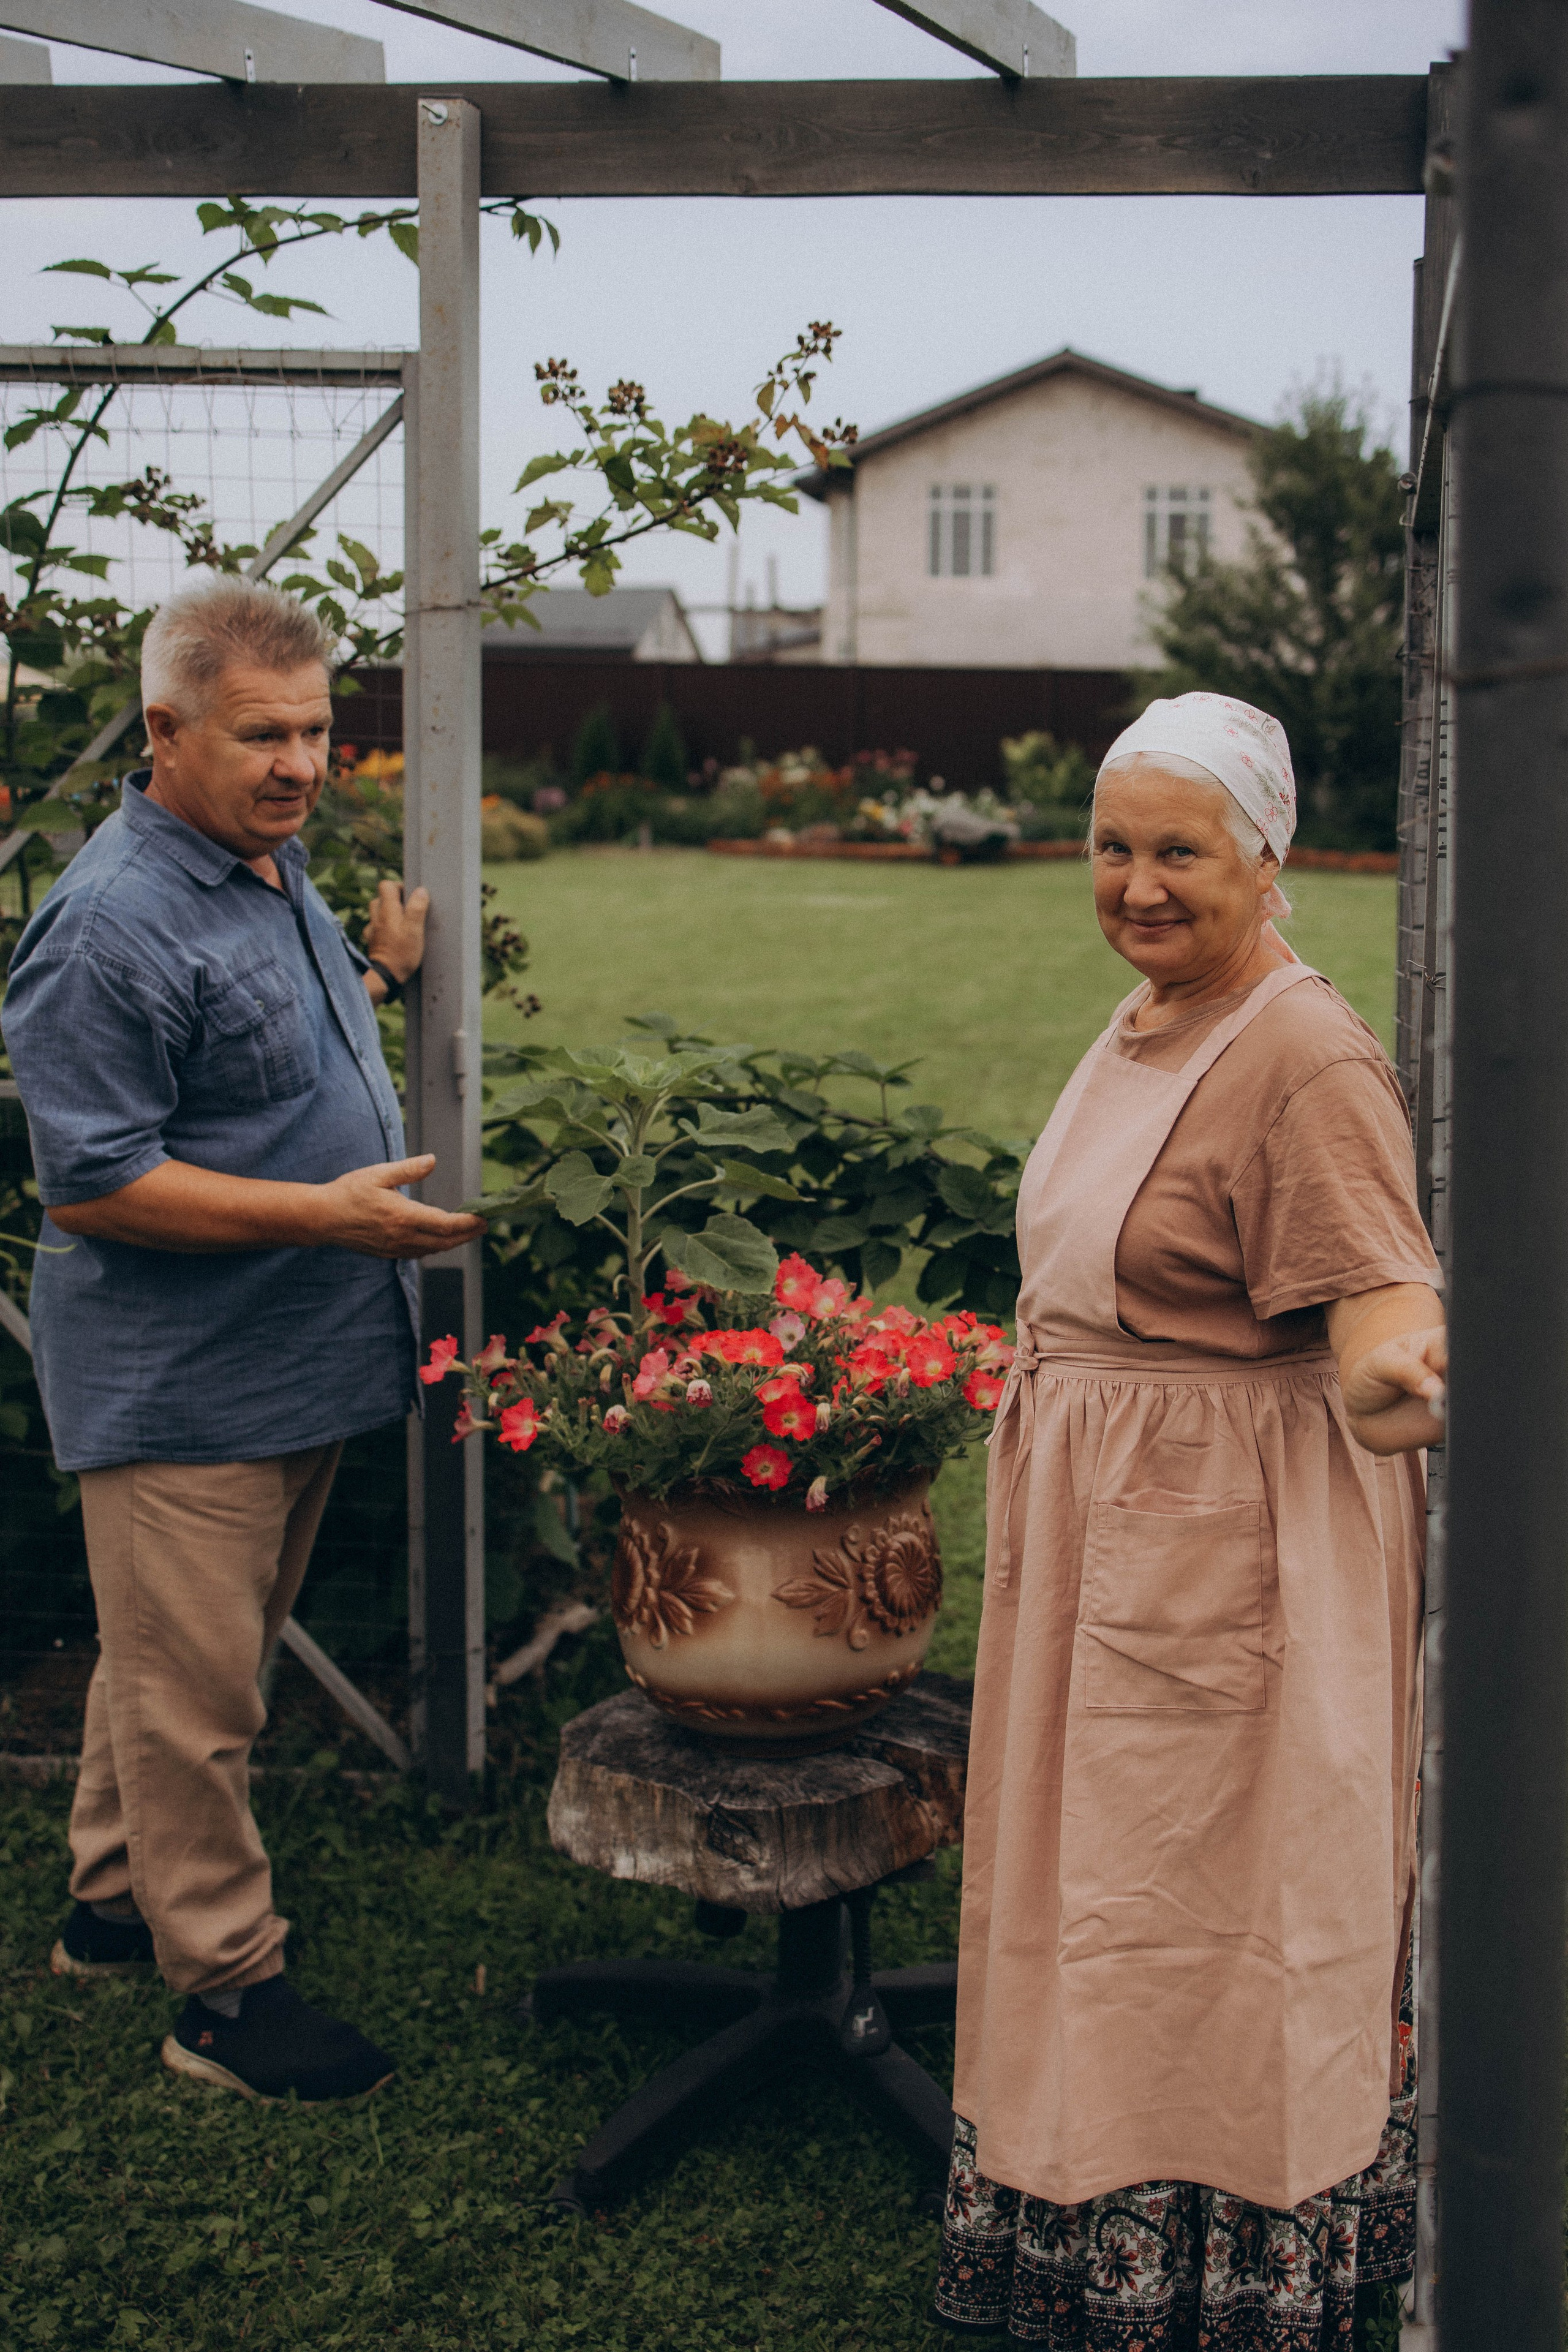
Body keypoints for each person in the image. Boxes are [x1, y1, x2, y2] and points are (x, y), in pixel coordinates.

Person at [935, 693, 1445, 2348]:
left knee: (1218, 1909)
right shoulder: (1155, 1011)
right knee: (1103, 1894)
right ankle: (1082, 2223)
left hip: (1233, 1553)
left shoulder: (1304, 1054)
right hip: (1122, 1531)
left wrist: (1390, 1376)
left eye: (1180, 851)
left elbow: (1382, 1297)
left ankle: (1233, 2267)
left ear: (1268, 857)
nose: (1139, 885)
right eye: (1113, 846)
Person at [2, 575, 483, 2103]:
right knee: (196, 1701)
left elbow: (255, 1042)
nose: (299, 765)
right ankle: (222, 1992)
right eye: (261, 735)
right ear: (164, 731)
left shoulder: (258, 868)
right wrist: (320, 1216)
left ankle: (105, 1908)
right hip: (184, 1389)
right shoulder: (106, 926)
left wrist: (377, 976)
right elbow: (97, 1187)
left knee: (169, 1666)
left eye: (317, 732)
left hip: (286, 1364)